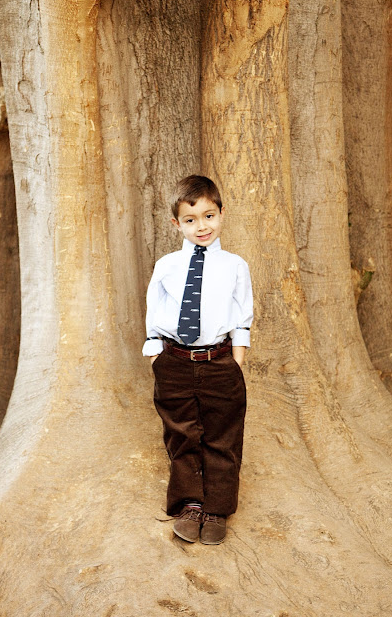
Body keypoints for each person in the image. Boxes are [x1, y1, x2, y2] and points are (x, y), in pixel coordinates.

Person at [142, 175, 253, 544]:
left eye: (209, 216)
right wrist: (156, 355)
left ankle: (217, 508)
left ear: (221, 214)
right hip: (174, 360)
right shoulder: (167, 265)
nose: (201, 226)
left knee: (222, 435)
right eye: (191, 220)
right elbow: (154, 309)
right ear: (177, 224)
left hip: (219, 359)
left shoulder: (235, 266)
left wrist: (236, 362)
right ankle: (190, 503)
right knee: (182, 433)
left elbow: (242, 316)